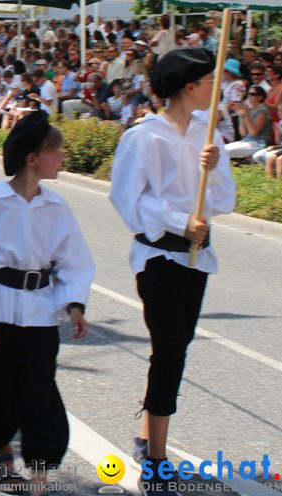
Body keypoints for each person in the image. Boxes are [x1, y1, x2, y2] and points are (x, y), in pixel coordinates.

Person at [109, 47, 236, 494]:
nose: (215, 92)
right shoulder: (144, 137)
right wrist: (180, 221)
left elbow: (225, 201)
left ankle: (146, 436)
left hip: (197, 257)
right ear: (190, 86)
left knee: (177, 344)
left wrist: (215, 171)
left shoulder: (208, 133)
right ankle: (157, 462)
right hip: (159, 256)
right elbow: (126, 199)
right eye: (210, 83)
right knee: (169, 350)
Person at [0, 110, 94, 493]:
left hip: (40, 313)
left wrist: (74, 303)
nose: (62, 157)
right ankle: (3, 455)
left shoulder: (57, 208)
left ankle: (39, 475)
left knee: (39, 392)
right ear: (33, 158)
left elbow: (74, 261)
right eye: (57, 151)